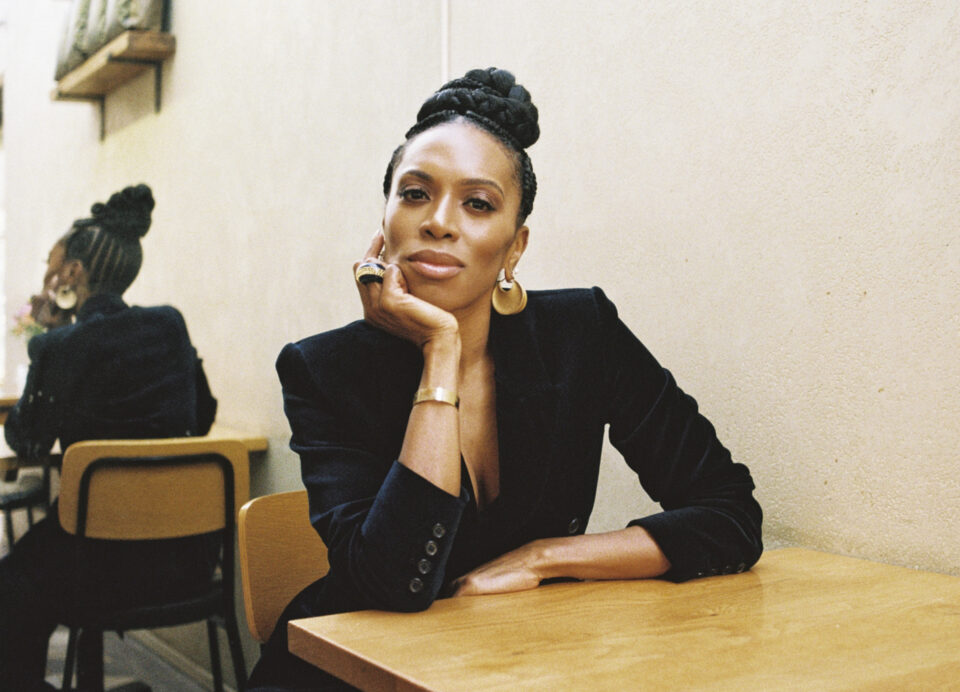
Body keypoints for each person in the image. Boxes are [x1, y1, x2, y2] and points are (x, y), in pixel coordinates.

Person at [248, 68, 762, 691]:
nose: (439, 221)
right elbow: (395, 584)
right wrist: (442, 349)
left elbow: (730, 515)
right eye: (415, 193)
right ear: (384, 227)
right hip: (351, 676)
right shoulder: (323, 369)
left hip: (512, 665)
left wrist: (546, 558)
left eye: (478, 203)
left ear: (514, 249)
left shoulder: (582, 333)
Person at [0, 184, 219, 692]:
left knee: (8, 592)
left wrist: (48, 335)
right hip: (186, 560)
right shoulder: (169, 324)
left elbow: (28, 444)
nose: (47, 274)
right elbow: (203, 416)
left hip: (94, 566)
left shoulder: (61, 345)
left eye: (51, 264)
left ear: (73, 274)